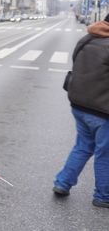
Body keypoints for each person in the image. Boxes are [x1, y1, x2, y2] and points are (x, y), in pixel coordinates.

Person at [53, 14, 109, 208]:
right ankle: (103, 195)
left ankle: (62, 183)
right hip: (102, 109)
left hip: (79, 103)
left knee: (83, 146)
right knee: (105, 153)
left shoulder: (87, 38)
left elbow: (76, 63)